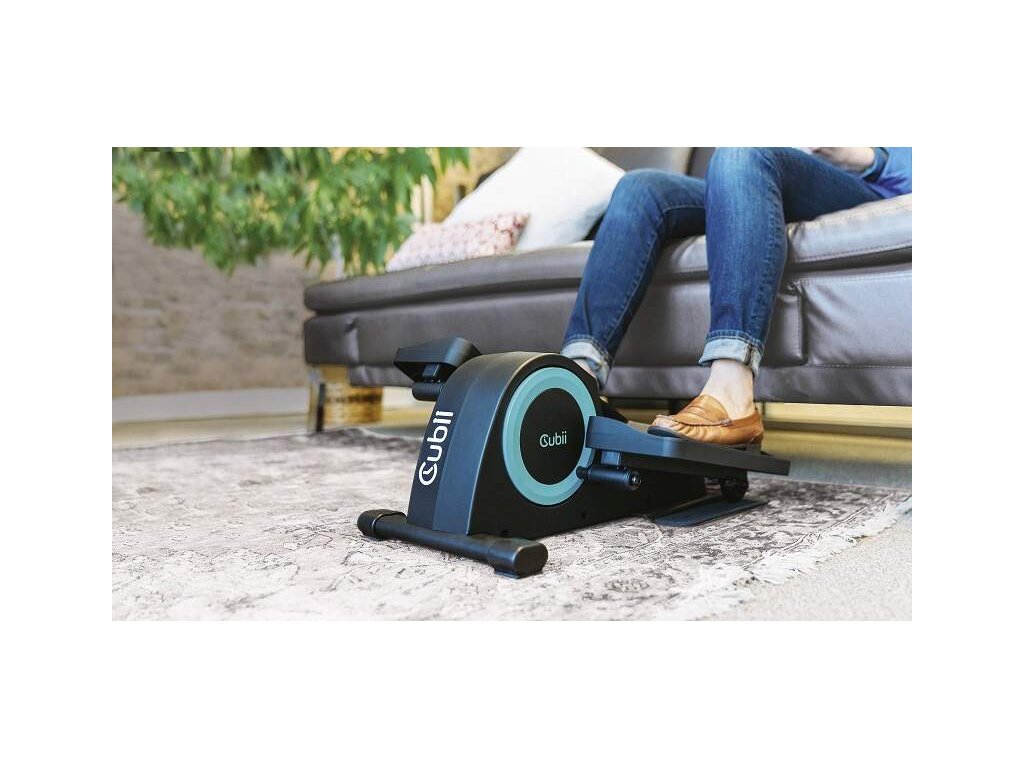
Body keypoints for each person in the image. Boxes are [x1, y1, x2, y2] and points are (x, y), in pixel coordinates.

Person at [561, 147, 912, 445]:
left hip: (867, 186)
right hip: (769, 173)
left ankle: (732, 390)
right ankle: (574, 383)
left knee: (743, 150)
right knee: (641, 187)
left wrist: (867, 157)